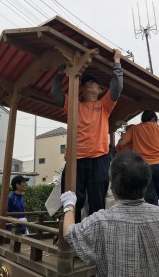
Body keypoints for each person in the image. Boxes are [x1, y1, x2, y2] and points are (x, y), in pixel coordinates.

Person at [60, 152, 159, 277]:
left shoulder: (100, 222)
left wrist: (69, 205)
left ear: (111, 186)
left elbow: (69, 233)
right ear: (146, 183)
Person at [51, 49, 123, 222]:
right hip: (76, 159)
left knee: (97, 200)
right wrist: (61, 73)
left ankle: (95, 233)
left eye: (93, 83)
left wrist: (117, 62)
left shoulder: (104, 105)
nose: (88, 84)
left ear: (100, 90)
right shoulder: (73, 104)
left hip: (99, 158)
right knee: (71, 199)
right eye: (86, 83)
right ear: (81, 90)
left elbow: (117, 86)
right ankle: (70, 234)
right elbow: (55, 93)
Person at [116, 110, 159, 218]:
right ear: (154, 119)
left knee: (151, 201)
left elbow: (121, 143)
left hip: (144, 168)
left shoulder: (134, 129)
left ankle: (154, 227)